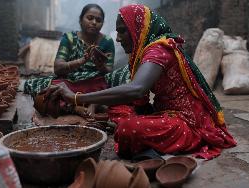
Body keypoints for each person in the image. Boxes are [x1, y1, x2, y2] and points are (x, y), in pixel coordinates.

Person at [41, 4, 236, 160]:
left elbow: (137, 89)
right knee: (118, 107)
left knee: (128, 129)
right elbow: (139, 100)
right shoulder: (143, 52)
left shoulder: (159, 50)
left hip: (186, 122)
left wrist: (76, 98)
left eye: (123, 31)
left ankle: (144, 141)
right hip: (164, 112)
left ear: (138, 29)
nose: (117, 38)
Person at [24, 4, 116, 96]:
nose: (94, 22)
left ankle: (77, 102)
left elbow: (108, 73)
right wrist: (80, 61)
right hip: (69, 81)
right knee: (33, 85)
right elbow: (58, 68)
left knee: (107, 87)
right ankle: (83, 102)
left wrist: (101, 66)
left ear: (102, 23)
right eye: (90, 18)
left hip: (95, 83)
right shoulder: (70, 38)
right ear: (80, 20)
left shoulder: (107, 41)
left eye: (98, 20)